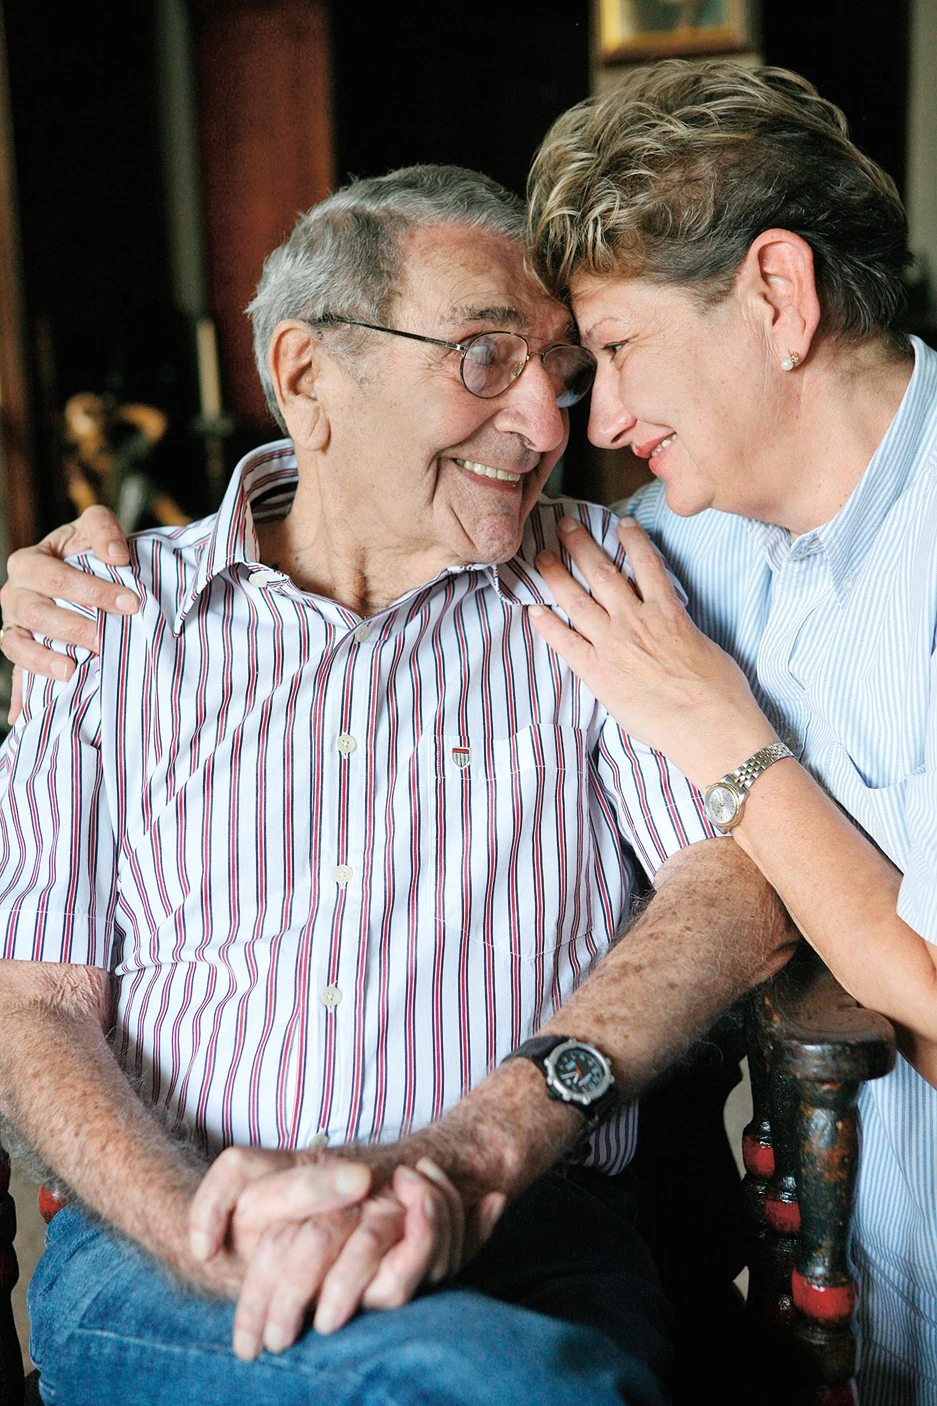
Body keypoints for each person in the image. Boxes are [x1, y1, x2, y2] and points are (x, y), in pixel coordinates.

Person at [0, 163, 792, 1405]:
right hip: (169, 1238)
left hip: (527, 1224)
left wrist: (482, 1144)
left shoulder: (590, 588)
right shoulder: (107, 617)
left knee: (493, 1367)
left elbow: (736, 877)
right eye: (484, 357)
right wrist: (209, 1224)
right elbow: (34, 999)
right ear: (309, 374)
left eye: (561, 369)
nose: (546, 422)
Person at [522, 59, 937, 1404]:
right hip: (829, 1308)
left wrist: (725, 736)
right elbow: (432, 587)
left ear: (776, 293)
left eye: (621, 349)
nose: (603, 420)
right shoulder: (677, 546)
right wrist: (125, 579)